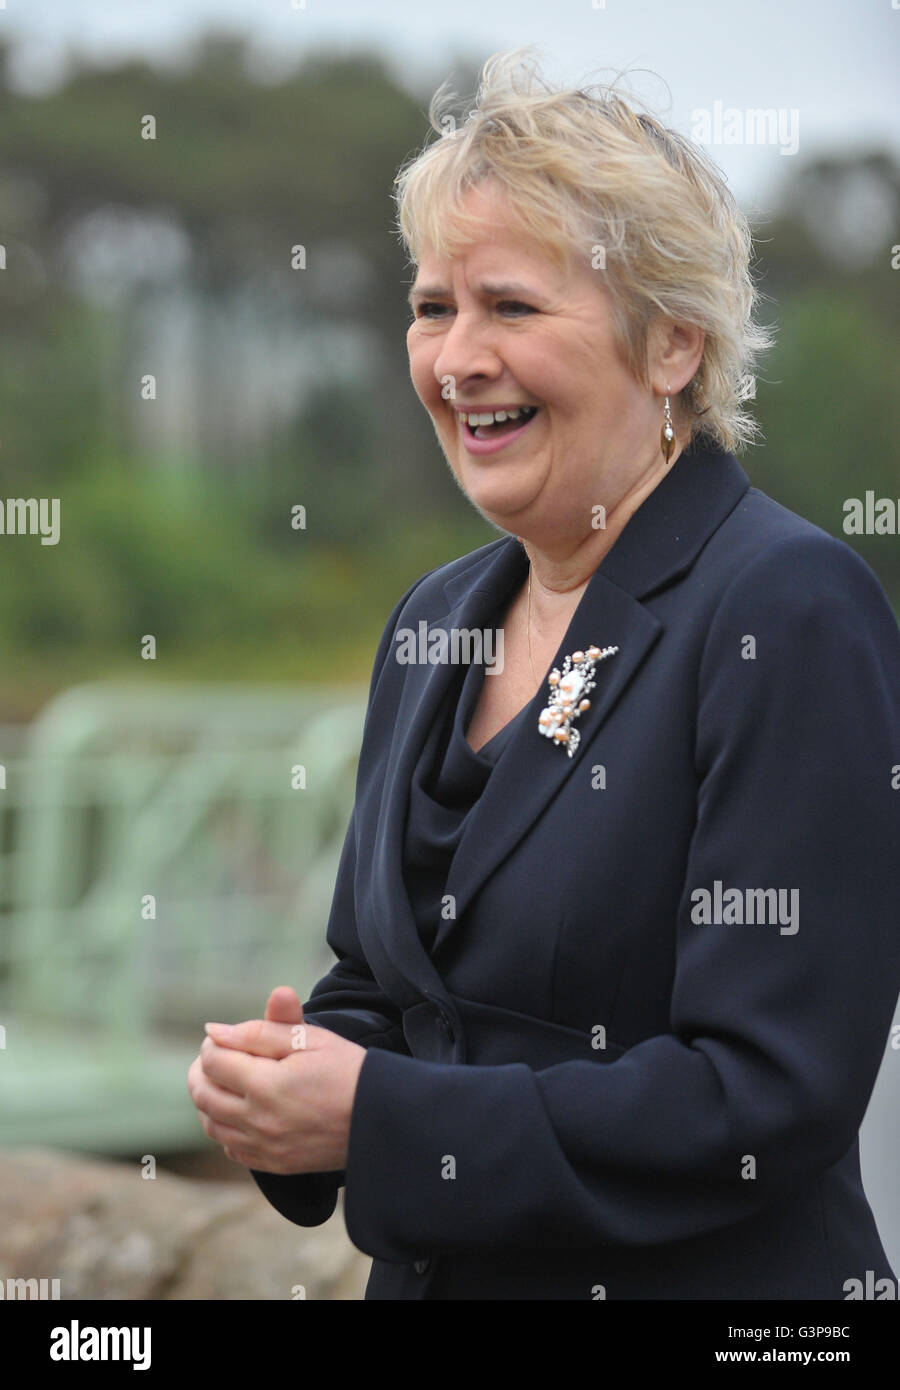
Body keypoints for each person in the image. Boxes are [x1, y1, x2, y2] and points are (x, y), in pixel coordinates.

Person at [187, 48, 900, 1300]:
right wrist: (291, 1078)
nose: (457, 359)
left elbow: (762, 1095)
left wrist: (383, 1121)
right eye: (431, 308)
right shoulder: (436, 616)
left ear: (672, 345)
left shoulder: (786, 608)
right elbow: (384, 985)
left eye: (510, 308)